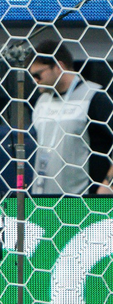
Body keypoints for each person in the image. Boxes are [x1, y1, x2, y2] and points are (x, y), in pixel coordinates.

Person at [28, 40, 113, 196]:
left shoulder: (94, 97)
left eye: (38, 74)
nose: (35, 80)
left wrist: (108, 184)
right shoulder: (41, 102)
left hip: (85, 202)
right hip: (43, 200)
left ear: (59, 66)